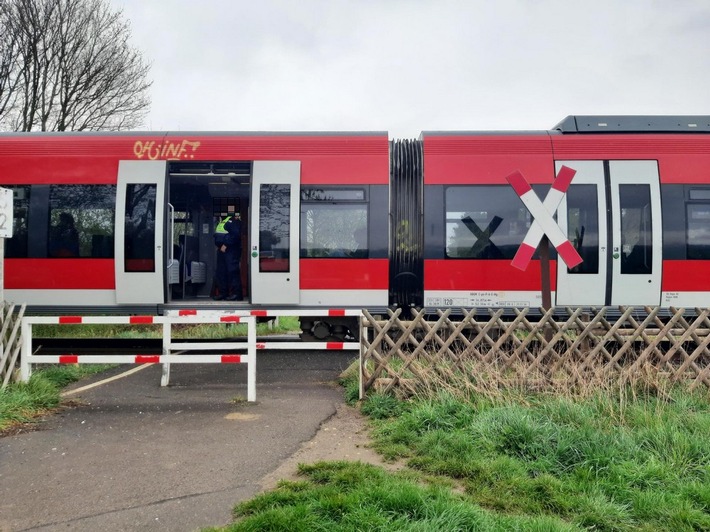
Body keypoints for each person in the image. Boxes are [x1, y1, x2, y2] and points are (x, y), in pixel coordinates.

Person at [213, 212, 242, 301]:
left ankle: (236, 294)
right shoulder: (222, 221)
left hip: (230, 250)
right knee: (221, 272)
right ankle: (223, 293)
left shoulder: (232, 220)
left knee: (232, 271)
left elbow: (235, 234)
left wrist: (225, 244)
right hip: (221, 250)